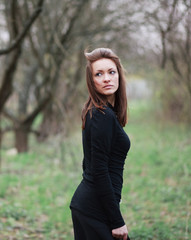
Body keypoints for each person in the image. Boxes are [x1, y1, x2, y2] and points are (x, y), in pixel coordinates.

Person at [70, 47, 131, 240]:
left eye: (111, 72)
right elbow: (98, 169)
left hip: (95, 205)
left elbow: (89, 164)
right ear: (92, 81)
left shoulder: (103, 112)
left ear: (119, 75)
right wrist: (116, 220)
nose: (107, 78)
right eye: (99, 74)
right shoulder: (101, 115)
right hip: (93, 210)